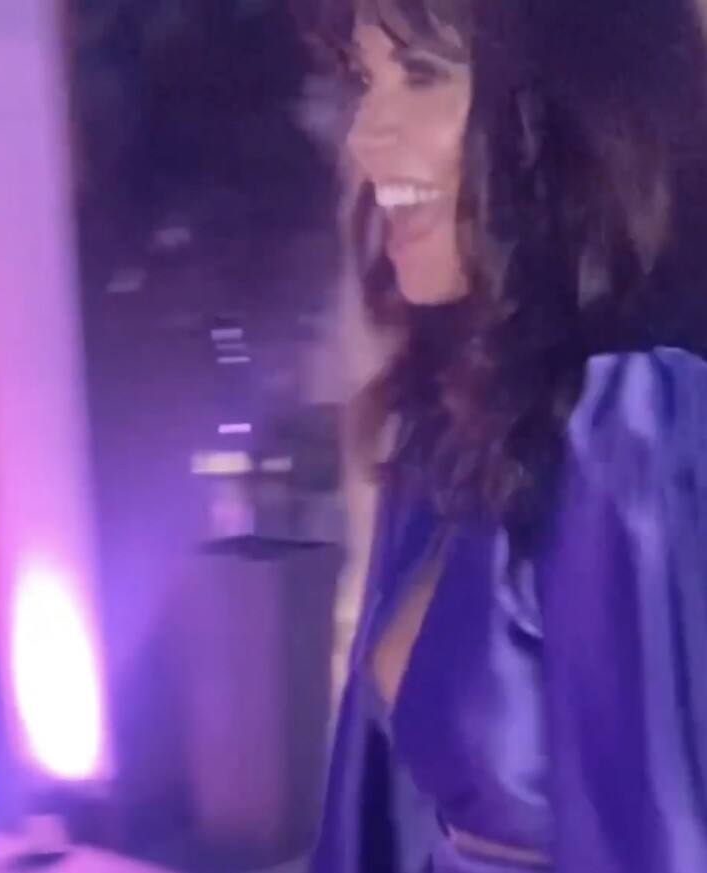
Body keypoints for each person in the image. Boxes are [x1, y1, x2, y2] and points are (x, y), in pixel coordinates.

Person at [293, 0, 707, 870]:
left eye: (421, 75)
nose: (364, 136)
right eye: (365, 79)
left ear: (563, 106)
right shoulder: (451, 416)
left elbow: (660, 840)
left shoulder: (633, 423)